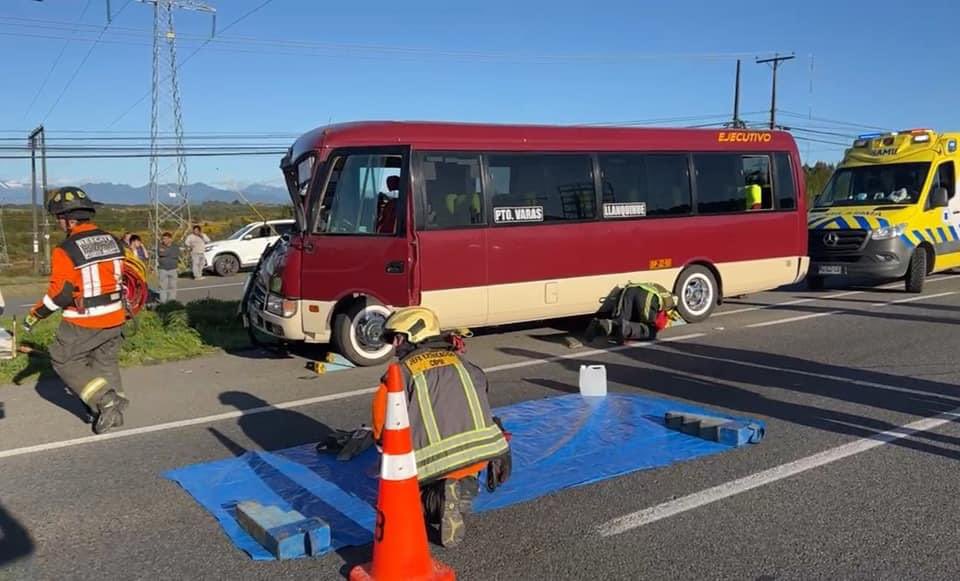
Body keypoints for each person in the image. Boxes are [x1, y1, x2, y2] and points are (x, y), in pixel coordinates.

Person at [371, 307, 509, 548]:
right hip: (479, 457)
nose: (394, 346)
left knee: (404, 504)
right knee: (463, 471)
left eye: (396, 338)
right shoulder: (467, 365)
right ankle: (462, 490)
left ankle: (435, 501)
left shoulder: (398, 375)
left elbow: (382, 434)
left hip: (432, 466)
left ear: (411, 337)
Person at [23, 186, 129, 434]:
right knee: (104, 360)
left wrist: (36, 314)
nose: (58, 223)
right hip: (116, 314)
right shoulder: (112, 240)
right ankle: (114, 409)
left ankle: (105, 400)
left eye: (58, 218)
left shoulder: (66, 249)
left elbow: (61, 294)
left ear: (67, 219)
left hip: (85, 320)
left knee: (63, 358)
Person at [156, 231, 179, 303]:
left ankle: (172, 301)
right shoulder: (160, 246)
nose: (164, 240)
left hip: (173, 269)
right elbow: (161, 253)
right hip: (163, 269)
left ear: (170, 239)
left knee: (173, 286)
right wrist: (168, 252)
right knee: (163, 287)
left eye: (166, 239)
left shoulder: (175, 246)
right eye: (163, 239)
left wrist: (166, 252)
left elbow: (175, 254)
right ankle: (163, 302)